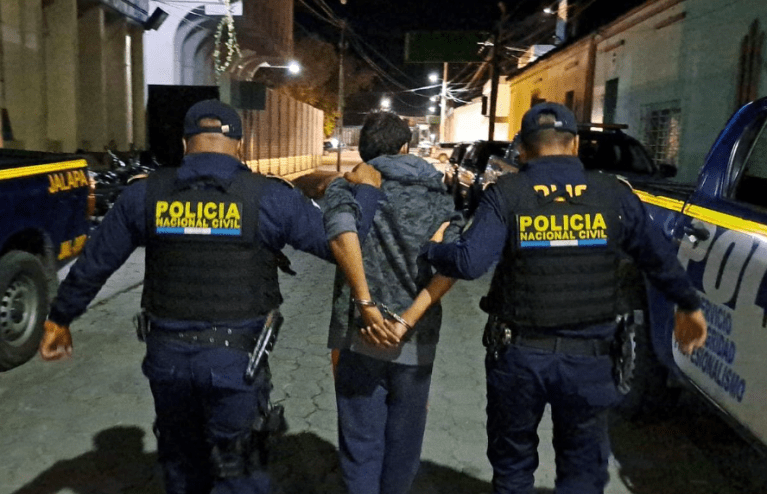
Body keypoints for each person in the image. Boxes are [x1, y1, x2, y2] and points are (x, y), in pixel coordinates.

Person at [38, 99, 384, 494]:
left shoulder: (145, 195)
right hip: (236, 362)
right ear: (241, 144)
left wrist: (59, 318)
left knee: (181, 464)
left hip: (167, 360)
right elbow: (338, 245)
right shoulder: (269, 197)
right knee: (238, 468)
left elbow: (95, 263)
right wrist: (367, 192)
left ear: (185, 143)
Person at [407, 102, 708, 494]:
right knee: (582, 470)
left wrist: (431, 249)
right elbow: (659, 258)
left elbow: (469, 262)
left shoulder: (507, 193)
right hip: (591, 359)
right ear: (575, 145)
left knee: (513, 467)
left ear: (522, 150)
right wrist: (688, 305)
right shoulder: (614, 194)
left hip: (519, 357)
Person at [320, 110, 458, 494]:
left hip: (360, 334)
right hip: (415, 337)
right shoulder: (438, 194)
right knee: (405, 443)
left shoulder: (349, 186)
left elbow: (341, 234)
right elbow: (452, 263)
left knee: (360, 443)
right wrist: (405, 321)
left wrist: (366, 306)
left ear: (365, 150)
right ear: (405, 147)